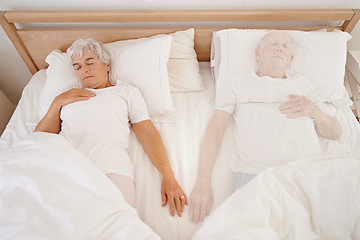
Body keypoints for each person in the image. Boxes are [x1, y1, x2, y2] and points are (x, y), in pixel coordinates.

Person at [188, 31, 342, 223]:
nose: (280, 47)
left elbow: (335, 133)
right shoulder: (237, 83)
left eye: (285, 46)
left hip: (304, 176)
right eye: (273, 44)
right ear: (257, 54)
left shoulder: (303, 84)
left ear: (290, 58)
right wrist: (203, 182)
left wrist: (315, 111)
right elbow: (216, 130)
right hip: (255, 177)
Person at [35, 38, 188, 217]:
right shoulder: (65, 98)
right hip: (69, 171)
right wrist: (56, 103)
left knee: (113, 227)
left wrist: (168, 177)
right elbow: (39, 140)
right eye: (77, 67)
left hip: (112, 172)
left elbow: (147, 133)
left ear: (106, 64)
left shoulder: (125, 92)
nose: (83, 69)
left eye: (90, 62)